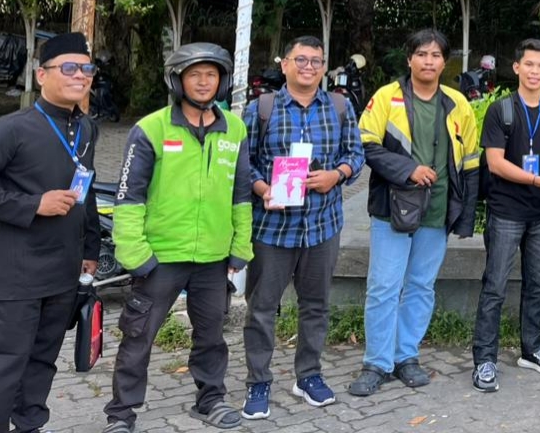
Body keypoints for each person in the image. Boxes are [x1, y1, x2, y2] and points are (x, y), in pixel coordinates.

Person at [103, 43, 253, 433]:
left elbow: (241, 193)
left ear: (221, 82)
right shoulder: (150, 129)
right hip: (160, 258)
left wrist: (240, 247)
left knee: (211, 336)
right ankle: (121, 414)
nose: (204, 82)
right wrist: (134, 253)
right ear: (177, 80)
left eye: (211, 75)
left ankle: (210, 400)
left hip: (213, 258)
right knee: (138, 338)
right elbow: (129, 196)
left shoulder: (234, 129)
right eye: (194, 74)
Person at [0, 32, 100, 433]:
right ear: (42, 75)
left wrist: (91, 249)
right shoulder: (11, 129)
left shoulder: (87, 129)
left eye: (87, 69)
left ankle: (29, 425)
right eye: (69, 68)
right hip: (19, 273)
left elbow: (86, 190)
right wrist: (32, 205)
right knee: (7, 364)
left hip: (64, 269)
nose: (81, 76)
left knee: (43, 359)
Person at [347, 29, 480, 396]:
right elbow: (366, 145)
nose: (428, 61)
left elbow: (470, 163)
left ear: (444, 62)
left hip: (437, 211)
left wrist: (464, 215)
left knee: (421, 287)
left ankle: (406, 356)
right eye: (421, 54)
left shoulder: (457, 104)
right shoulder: (386, 98)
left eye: (436, 55)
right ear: (409, 59)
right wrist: (408, 169)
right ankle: (377, 362)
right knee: (383, 287)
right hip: (393, 208)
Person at [241, 37, 364, 419]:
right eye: (300, 60)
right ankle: (258, 381)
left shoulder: (341, 107)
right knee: (262, 308)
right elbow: (244, 161)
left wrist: (336, 175)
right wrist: (262, 188)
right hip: (273, 228)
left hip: (322, 226)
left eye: (315, 61)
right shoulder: (261, 108)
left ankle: (308, 374)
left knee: (316, 306)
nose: (308, 67)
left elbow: (355, 155)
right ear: (285, 65)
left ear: (324, 68)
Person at [470, 39, 540, 392]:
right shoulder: (501, 110)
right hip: (507, 211)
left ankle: (532, 348)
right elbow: (495, 163)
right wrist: (537, 180)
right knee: (495, 287)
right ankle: (484, 359)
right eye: (529, 64)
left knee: (537, 284)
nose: (535, 71)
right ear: (516, 68)